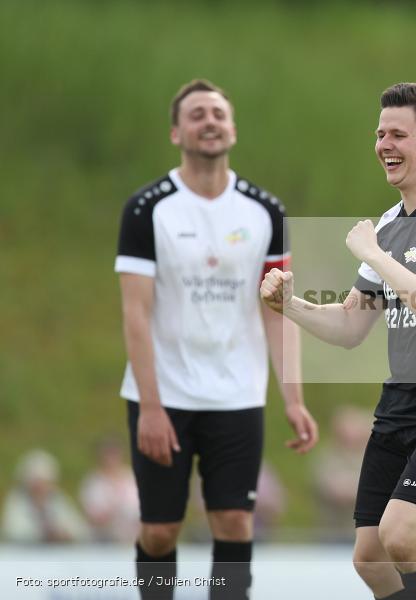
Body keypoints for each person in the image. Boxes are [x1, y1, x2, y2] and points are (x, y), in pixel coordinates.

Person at [261, 82, 416, 600]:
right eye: (379, 134)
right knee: (371, 557)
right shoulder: (392, 225)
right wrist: (291, 306)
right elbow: (351, 326)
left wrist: (375, 257)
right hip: (402, 402)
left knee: (402, 536)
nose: (384, 145)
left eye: (398, 134)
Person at [115, 78, 318, 600]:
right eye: (198, 114)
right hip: (164, 395)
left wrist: (293, 398)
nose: (210, 121)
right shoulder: (148, 209)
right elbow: (135, 315)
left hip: (236, 394)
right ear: (176, 132)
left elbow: (277, 309)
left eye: (218, 114)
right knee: (160, 530)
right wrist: (153, 408)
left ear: (232, 128)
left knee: (234, 524)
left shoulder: (264, 211)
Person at [2, 449, 90, 544]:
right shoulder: (17, 499)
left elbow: (79, 529)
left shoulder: (57, 499)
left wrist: (63, 533)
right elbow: (12, 530)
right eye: (36, 482)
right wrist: (43, 535)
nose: (40, 487)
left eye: (44, 482)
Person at [312, 406, 372, 542]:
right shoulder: (327, 456)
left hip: (364, 533)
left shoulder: (371, 456)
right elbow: (332, 489)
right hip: (331, 533)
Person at [79, 436, 141, 543]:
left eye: (114, 454)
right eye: (108, 454)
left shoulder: (131, 478)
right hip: (104, 539)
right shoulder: (93, 483)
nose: (111, 459)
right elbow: (93, 517)